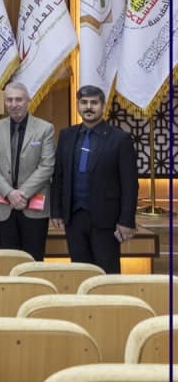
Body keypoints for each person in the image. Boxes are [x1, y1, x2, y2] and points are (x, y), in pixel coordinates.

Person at [50, 85, 138, 274]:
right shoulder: (67, 135)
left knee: (107, 274)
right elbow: (58, 176)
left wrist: (127, 220)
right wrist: (56, 211)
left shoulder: (120, 139)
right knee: (80, 272)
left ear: (103, 106)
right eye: (84, 102)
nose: (88, 107)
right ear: (78, 106)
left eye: (94, 103)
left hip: (106, 219)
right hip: (74, 218)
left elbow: (130, 184)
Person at [0, 82, 55, 260]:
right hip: (2, 205)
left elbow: (47, 166)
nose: (14, 104)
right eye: (9, 100)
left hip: (34, 204)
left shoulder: (45, 128)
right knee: (9, 260)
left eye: (18, 100)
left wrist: (22, 194)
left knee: (34, 259)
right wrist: (9, 193)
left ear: (28, 101)